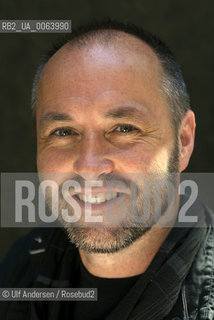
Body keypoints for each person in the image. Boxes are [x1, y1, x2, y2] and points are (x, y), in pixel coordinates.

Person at [0, 20, 213, 320]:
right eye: (63, 131)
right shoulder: (22, 266)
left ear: (184, 140)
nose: (88, 165)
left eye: (124, 128)